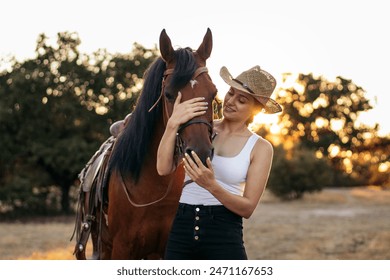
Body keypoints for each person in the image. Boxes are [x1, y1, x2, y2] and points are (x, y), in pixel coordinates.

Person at [156, 65, 282, 260]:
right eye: (230, 93)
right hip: (180, 229)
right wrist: (173, 124)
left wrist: (211, 185)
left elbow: (247, 208)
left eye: (241, 100)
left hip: (224, 234)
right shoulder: (200, 130)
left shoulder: (260, 147)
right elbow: (163, 168)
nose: (230, 101)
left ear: (256, 110)